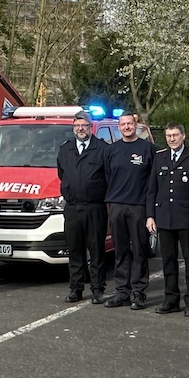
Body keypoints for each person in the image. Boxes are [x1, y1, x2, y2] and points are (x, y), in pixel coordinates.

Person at [147, 123, 189, 315]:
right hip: (164, 217)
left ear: (183, 136)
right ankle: (171, 299)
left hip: (186, 218)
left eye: (175, 135)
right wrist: (150, 216)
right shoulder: (159, 157)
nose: (172, 139)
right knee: (168, 261)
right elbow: (152, 189)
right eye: (169, 135)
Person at [56, 111, 110, 304]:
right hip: (72, 208)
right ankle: (76, 289)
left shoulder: (102, 148)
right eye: (77, 125)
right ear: (73, 128)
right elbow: (62, 174)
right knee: (75, 251)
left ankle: (97, 289)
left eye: (84, 125)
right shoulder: (65, 150)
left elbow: (108, 176)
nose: (81, 129)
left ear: (90, 127)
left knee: (96, 250)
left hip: (95, 208)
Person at [104, 113, 155, 309]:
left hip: (139, 207)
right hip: (116, 205)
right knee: (121, 251)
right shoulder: (112, 150)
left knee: (140, 250)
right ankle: (122, 292)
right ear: (119, 127)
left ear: (136, 125)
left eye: (130, 124)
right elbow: (109, 176)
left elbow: (152, 182)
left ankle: (139, 292)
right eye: (123, 124)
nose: (127, 127)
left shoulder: (147, 149)